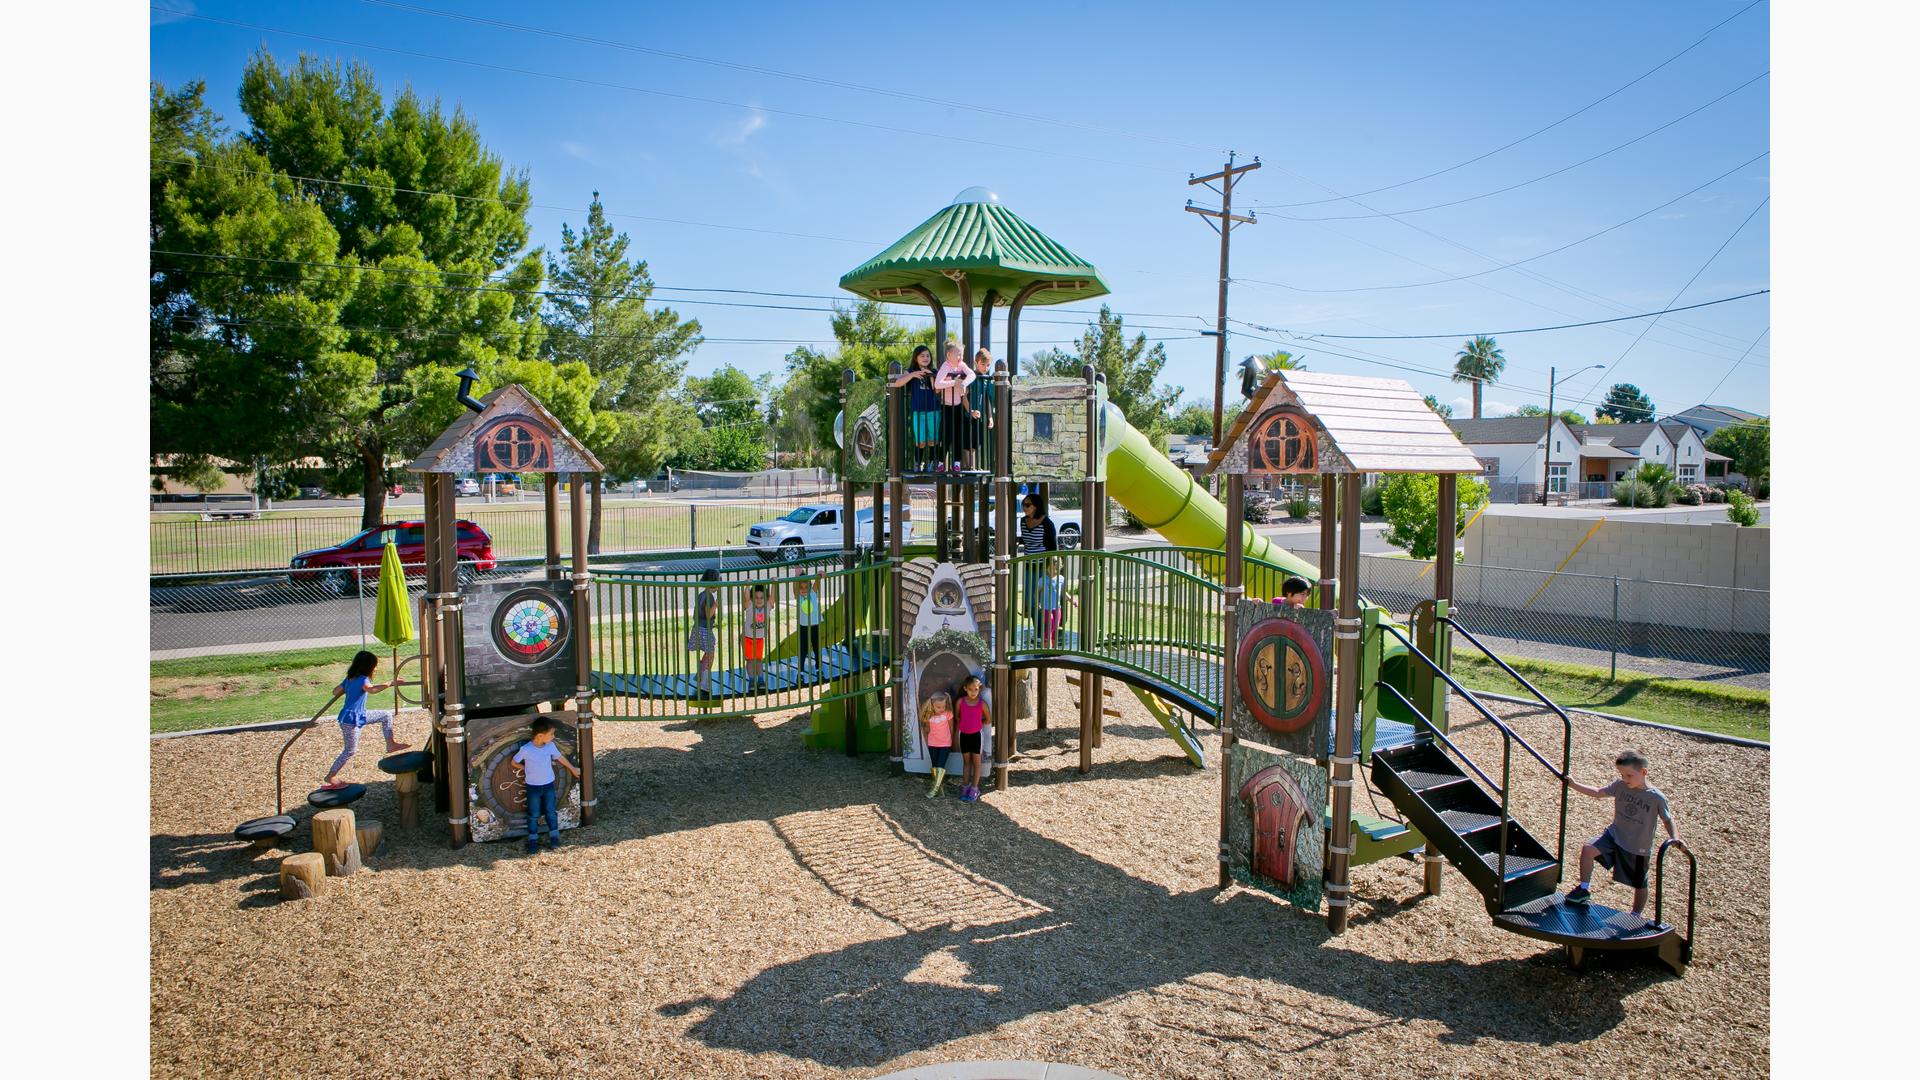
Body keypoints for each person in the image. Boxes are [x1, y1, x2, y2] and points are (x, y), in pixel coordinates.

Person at [1564, 750, 1678, 915]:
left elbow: (1668, 820)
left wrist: (1675, 838)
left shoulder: (1656, 798)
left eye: (1629, 775)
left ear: (1643, 772)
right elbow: (1598, 792)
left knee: (1640, 883)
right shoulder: (1620, 786)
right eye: (1622, 775)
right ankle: (1583, 889)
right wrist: (1574, 784)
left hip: (1637, 845)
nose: (1625, 779)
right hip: (1614, 835)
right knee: (1588, 849)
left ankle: (1636, 914)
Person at [321, 650, 408, 790]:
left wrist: (346, 688)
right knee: (350, 750)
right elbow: (372, 690)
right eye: (375, 666)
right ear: (368, 667)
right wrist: (391, 683)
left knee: (386, 715)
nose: (376, 668)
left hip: (358, 715)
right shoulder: (363, 679)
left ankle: (390, 744)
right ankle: (330, 776)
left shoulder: (350, 679)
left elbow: (335, 691)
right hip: (351, 719)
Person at [510, 716, 580, 854]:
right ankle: (533, 840)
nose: (553, 737)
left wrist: (572, 769)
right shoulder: (526, 749)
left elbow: (560, 758)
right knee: (533, 814)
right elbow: (514, 762)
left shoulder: (550, 746)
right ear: (540, 736)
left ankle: (554, 837)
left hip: (548, 785)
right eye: (551, 734)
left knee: (550, 812)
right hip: (533, 788)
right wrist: (524, 768)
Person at [891, 344, 941, 472]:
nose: (925, 358)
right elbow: (897, 383)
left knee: (932, 440)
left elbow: (936, 389)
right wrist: (913, 375)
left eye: (927, 355)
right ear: (916, 358)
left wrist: (930, 375)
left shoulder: (934, 372)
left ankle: (931, 463)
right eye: (922, 356)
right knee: (920, 441)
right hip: (918, 412)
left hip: (933, 410)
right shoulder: (911, 371)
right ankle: (918, 463)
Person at [932, 341, 976, 472]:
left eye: (961, 354)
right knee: (945, 435)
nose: (960, 357)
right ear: (949, 355)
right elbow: (937, 384)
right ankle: (940, 463)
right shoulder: (945, 366)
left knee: (958, 435)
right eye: (958, 354)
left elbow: (972, 374)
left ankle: (956, 463)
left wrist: (963, 384)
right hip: (946, 407)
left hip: (958, 407)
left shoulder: (962, 365)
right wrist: (954, 382)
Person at [1018, 493, 1058, 635]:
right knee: (1031, 598)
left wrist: (1051, 569)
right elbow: (1024, 541)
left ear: (1036, 506)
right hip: (1029, 565)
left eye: (1027, 505)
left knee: (1043, 598)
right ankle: (1038, 629)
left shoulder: (1047, 523)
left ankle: (1047, 629)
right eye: (1023, 504)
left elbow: (1052, 547)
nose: (1024, 507)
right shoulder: (1023, 521)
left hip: (1043, 566)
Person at [953, 674, 992, 802]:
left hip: (976, 737)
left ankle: (974, 788)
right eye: (971, 689)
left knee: (977, 763)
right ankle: (965, 787)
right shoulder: (960, 702)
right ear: (965, 688)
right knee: (966, 763)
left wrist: (977, 723)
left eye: (976, 689)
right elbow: (957, 716)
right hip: (963, 735)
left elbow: (988, 719)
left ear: (979, 689)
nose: (974, 692)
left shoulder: (982, 704)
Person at [688, 569, 720, 697]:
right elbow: (708, 614)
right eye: (718, 580)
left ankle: (700, 674)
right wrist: (717, 604)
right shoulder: (709, 597)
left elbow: (698, 613)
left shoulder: (701, 594)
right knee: (710, 654)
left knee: (708, 653)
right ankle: (704, 682)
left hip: (698, 627)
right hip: (704, 630)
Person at [964, 347, 996, 472]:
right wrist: (970, 410)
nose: (985, 367)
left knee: (976, 442)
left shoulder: (986, 379)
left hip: (978, 415)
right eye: (983, 364)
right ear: (976, 362)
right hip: (967, 414)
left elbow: (987, 399)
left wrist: (989, 417)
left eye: (988, 365)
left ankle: (972, 465)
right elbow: (964, 395)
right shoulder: (971, 376)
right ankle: (968, 465)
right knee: (967, 441)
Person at [919, 691, 954, 799]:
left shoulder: (948, 714)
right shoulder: (929, 716)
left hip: (945, 744)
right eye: (938, 707)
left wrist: (950, 741)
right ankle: (940, 789)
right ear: (932, 705)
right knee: (934, 766)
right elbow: (927, 730)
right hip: (932, 744)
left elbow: (951, 728)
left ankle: (934, 789)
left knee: (940, 766)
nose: (941, 709)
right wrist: (927, 742)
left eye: (943, 706)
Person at [1037, 557, 1075, 647]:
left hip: (1057, 608)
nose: (1054, 571)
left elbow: (1063, 593)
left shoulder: (1061, 579)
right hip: (1046, 608)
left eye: (1057, 568)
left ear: (1060, 567)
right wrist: (1038, 603)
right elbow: (1036, 592)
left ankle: (1053, 648)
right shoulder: (1043, 580)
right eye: (1052, 568)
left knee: (1055, 628)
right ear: (1047, 568)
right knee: (1050, 624)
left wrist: (1071, 600)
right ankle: (1046, 646)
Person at [742, 583, 772, 691]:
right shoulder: (750, 606)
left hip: (759, 639)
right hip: (748, 638)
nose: (759, 600)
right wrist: (747, 585)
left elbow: (772, 597)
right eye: (756, 598)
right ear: (752, 599)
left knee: (758, 660)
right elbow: (746, 597)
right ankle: (751, 680)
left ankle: (760, 679)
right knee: (750, 660)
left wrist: (774, 584)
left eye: (761, 598)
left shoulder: (768, 607)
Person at [793, 576, 824, 673]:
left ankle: (818, 667)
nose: (804, 589)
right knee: (803, 648)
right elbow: (794, 589)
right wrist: (795, 577)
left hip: (815, 625)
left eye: (806, 587)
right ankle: (801, 670)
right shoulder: (799, 597)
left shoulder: (813, 594)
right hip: (804, 626)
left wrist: (819, 575)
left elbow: (817, 582)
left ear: (810, 588)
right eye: (801, 587)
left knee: (816, 647)